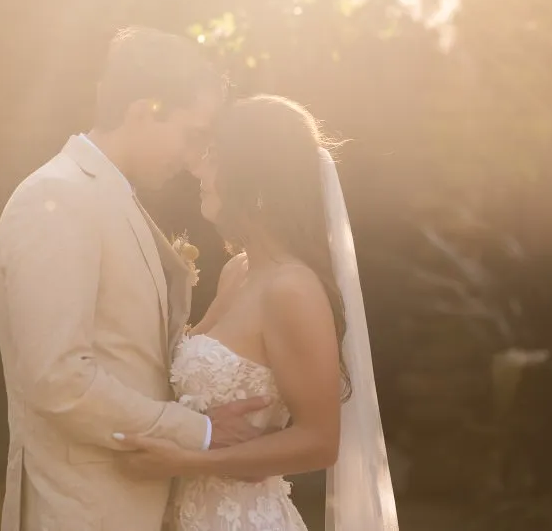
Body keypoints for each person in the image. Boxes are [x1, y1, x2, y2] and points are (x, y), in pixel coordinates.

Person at [0, 27, 270, 531]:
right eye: (192, 134)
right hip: (81, 513)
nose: (192, 157)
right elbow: (59, 378)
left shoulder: (111, 198)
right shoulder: (55, 199)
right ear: (144, 111)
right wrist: (198, 432)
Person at [115, 95, 399, 531]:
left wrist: (186, 459)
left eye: (213, 155)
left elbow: (320, 442)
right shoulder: (238, 271)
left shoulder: (292, 289)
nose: (197, 169)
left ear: (253, 173)